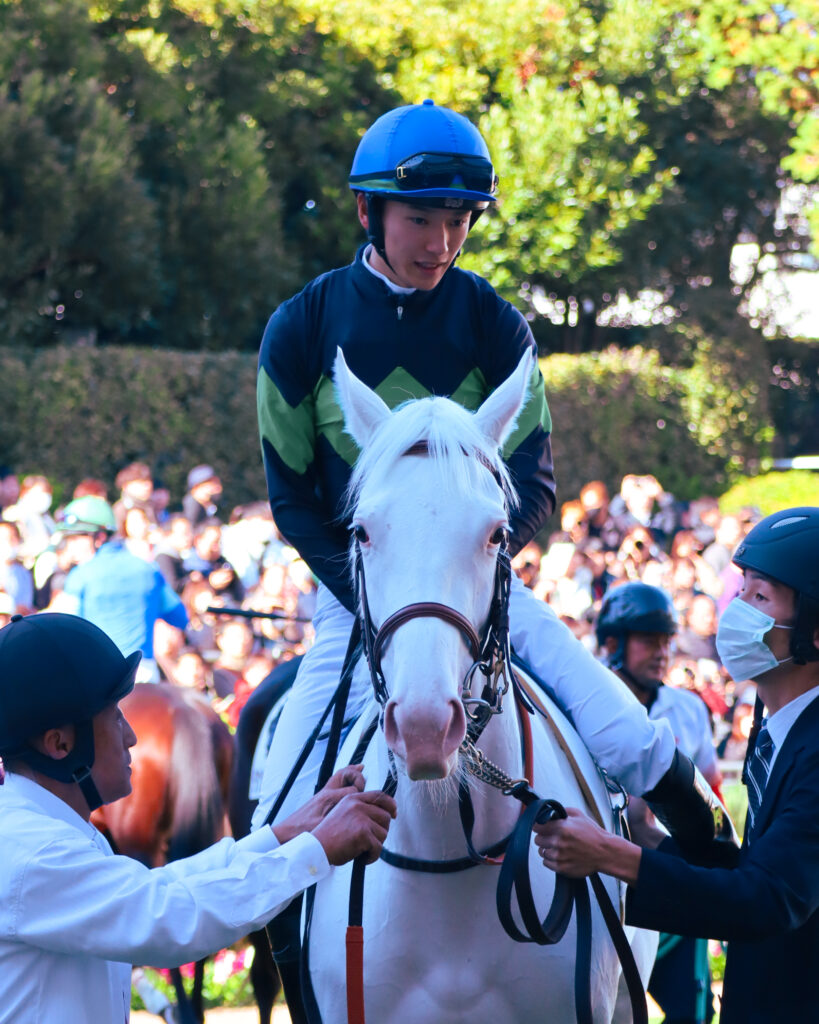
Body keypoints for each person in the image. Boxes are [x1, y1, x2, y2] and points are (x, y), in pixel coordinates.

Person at [253, 100, 730, 849]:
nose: (440, 243)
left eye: (458, 221)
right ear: (368, 211)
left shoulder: (497, 324)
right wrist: (380, 589)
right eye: (420, 219)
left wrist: (471, 567)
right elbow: (292, 498)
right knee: (278, 794)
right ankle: (273, 920)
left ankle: (722, 868)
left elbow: (533, 485)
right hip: (356, 596)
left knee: (626, 733)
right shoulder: (300, 327)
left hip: (478, 591)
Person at [0, 612, 396, 1024]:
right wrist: (317, 851)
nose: (130, 736)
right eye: (115, 716)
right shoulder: (36, 853)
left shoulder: (48, 830)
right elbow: (168, 917)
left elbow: (164, 885)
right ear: (60, 744)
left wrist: (287, 833)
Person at [534, 506, 819, 1023]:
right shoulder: (777, 725)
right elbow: (751, 869)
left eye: (760, 597)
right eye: (741, 590)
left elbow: (769, 899)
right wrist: (645, 839)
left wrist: (612, 856)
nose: (737, 610)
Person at [596, 581, 722, 1024]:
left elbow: (711, 798)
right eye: (650, 640)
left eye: (667, 641)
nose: (662, 652)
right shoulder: (579, 705)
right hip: (600, 885)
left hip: (670, 879)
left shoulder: (689, 708)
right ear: (613, 642)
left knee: (691, 1011)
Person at [50, 496, 188, 683]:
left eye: (75, 538)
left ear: (99, 537)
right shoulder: (148, 569)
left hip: (99, 676)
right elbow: (180, 618)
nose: (70, 548)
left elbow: (65, 632)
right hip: (145, 675)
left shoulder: (79, 575)